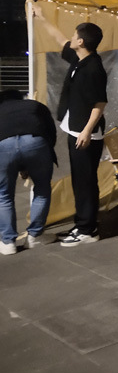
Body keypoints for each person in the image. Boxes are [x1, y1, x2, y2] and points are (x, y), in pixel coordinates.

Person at [33, 5, 108, 246]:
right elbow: (59, 38)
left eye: (75, 35)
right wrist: (41, 17)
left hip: (85, 134)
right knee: (80, 181)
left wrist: (86, 131)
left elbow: (99, 103)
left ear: (82, 41)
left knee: (85, 182)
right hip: (76, 129)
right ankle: (84, 224)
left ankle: (87, 230)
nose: (71, 38)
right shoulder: (80, 59)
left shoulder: (94, 68)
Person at [0, 89, 57, 254]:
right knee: (42, 189)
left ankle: (8, 242)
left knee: (3, 195)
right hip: (36, 142)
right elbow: (50, 132)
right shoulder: (35, 106)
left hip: (3, 144)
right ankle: (34, 237)